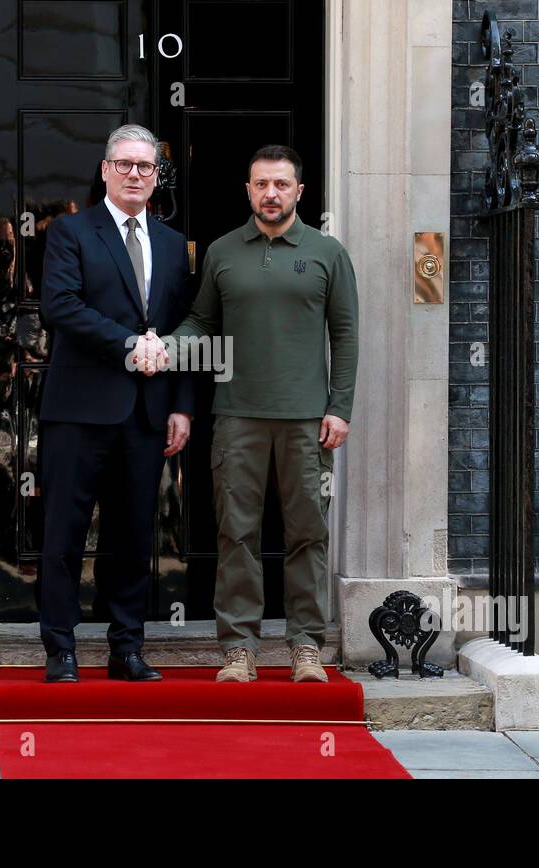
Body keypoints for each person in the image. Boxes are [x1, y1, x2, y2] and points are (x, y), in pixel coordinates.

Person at [155, 144, 358, 683]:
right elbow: (200, 323)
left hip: (306, 421)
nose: (271, 193)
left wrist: (340, 408)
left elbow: (345, 333)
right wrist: (164, 349)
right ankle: (239, 647)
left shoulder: (327, 252)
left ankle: (306, 646)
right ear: (248, 190)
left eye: (281, 184)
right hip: (237, 417)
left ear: (299, 192)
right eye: (261, 184)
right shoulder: (223, 252)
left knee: (307, 534)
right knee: (236, 534)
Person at [37, 124, 194, 683]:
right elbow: (60, 306)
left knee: (133, 536)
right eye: (124, 164)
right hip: (79, 409)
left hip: (148, 414)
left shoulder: (175, 245)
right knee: (63, 534)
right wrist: (129, 343)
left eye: (145, 167)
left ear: (156, 176)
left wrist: (182, 405)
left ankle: (126, 648)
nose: (134, 174)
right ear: (105, 170)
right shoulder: (71, 232)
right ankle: (60, 649)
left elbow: (179, 328)